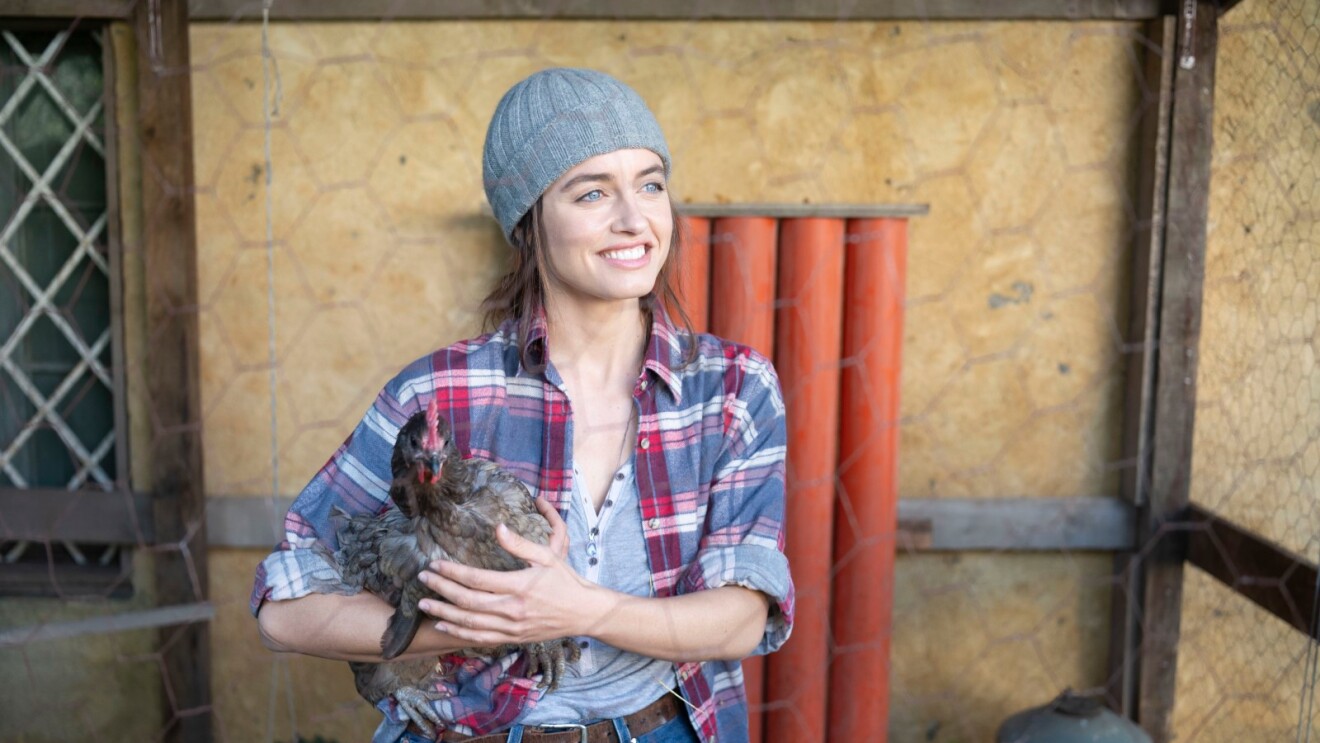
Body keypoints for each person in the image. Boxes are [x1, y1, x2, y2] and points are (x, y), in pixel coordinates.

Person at [252, 67, 794, 743]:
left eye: (650, 183)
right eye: (592, 192)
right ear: (529, 220)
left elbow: (743, 619)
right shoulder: (440, 395)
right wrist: (465, 623)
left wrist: (579, 608)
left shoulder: (733, 389)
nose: (635, 218)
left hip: (661, 729)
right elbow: (283, 609)